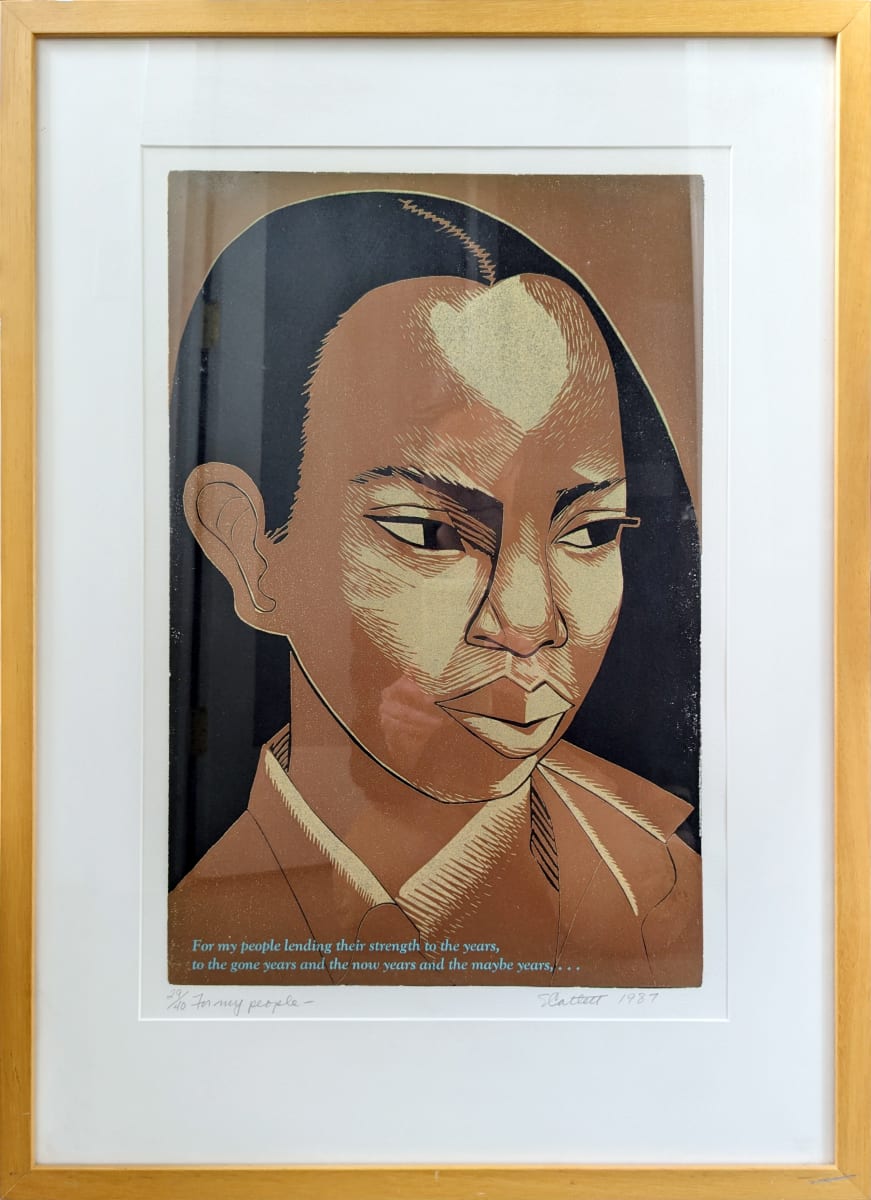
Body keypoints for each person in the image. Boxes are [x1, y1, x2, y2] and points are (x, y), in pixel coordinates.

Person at [167, 191, 702, 987]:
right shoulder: (168, 939)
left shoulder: (674, 899)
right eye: (430, 533)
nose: (528, 620)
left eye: (590, 533)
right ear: (250, 550)